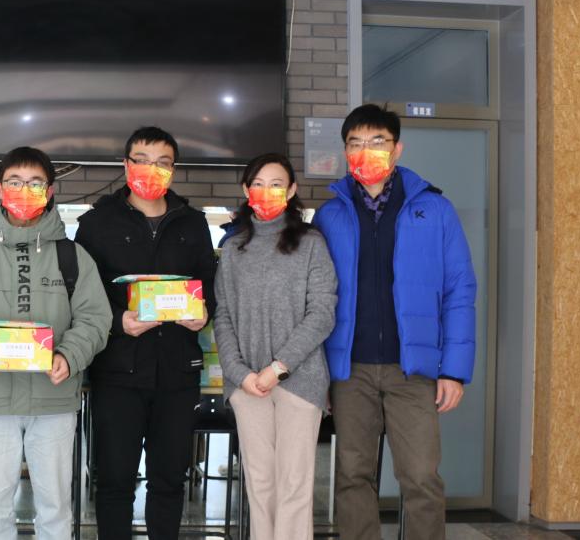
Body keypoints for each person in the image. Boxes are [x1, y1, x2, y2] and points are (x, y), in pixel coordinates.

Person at [313, 104, 477, 540]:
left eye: (377, 142)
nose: (365, 151)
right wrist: (321, 374)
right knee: (352, 475)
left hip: (413, 370)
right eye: (355, 143)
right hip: (350, 370)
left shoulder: (435, 210)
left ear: (397, 148)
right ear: (345, 151)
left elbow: (460, 290)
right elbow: (316, 298)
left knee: (421, 478)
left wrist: (453, 370)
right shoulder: (330, 215)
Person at [0, 146, 111, 540]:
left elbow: (96, 319)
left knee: (55, 509)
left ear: (50, 191)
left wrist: (69, 354)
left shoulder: (73, 256)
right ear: (0, 190)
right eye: (15, 182)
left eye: (35, 183)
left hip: (53, 400)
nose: (24, 190)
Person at [75, 126, 217, 540]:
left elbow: (209, 283)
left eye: (162, 162)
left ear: (173, 169)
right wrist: (118, 320)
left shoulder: (193, 223)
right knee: (114, 480)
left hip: (177, 371)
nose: (151, 170)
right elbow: (82, 294)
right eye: (142, 160)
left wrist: (204, 313)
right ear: (126, 165)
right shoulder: (96, 223)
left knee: (169, 481)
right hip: (117, 370)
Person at [213, 153, 337, 539]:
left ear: (292, 190)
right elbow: (223, 315)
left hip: (300, 381)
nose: (266, 191)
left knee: (294, 485)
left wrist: (278, 368)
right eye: (258, 184)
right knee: (260, 483)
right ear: (246, 190)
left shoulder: (312, 243)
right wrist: (240, 374)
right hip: (247, 384)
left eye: (277, 184)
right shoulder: (233, 249)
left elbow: (322, 313)